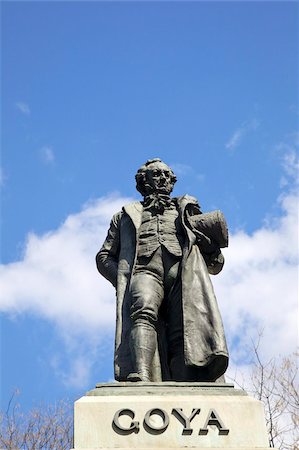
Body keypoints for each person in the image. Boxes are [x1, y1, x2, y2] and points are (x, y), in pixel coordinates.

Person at [96, 158, 229, 382]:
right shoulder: (124, 216)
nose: (164, 178)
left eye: (168, 175)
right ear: (143, 181)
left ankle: (186, 381)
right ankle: (142, 374)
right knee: (142, 312)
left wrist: (207, 241)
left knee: (183, 330)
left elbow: (216, 262)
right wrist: (122, 279)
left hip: (183, 274)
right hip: (144, 271)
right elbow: (104, 256)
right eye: (157, 174)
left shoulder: (187, 210)